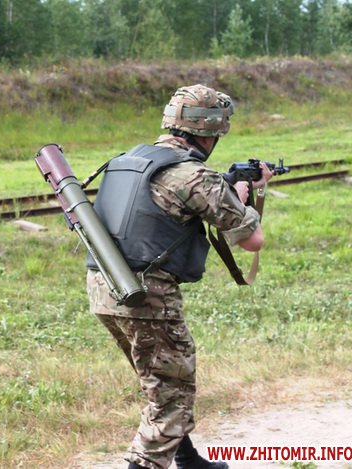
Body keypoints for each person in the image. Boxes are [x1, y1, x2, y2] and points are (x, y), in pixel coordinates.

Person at [85, 84, 273, 469]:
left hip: (106, 288)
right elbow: (252, 241)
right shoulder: (195, 176)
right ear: (210, 133)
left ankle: (189, 461)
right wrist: (245, 197)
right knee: (171, 396)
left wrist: (228, 190)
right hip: (147, 297)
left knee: (163, 381)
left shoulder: (128, 159)